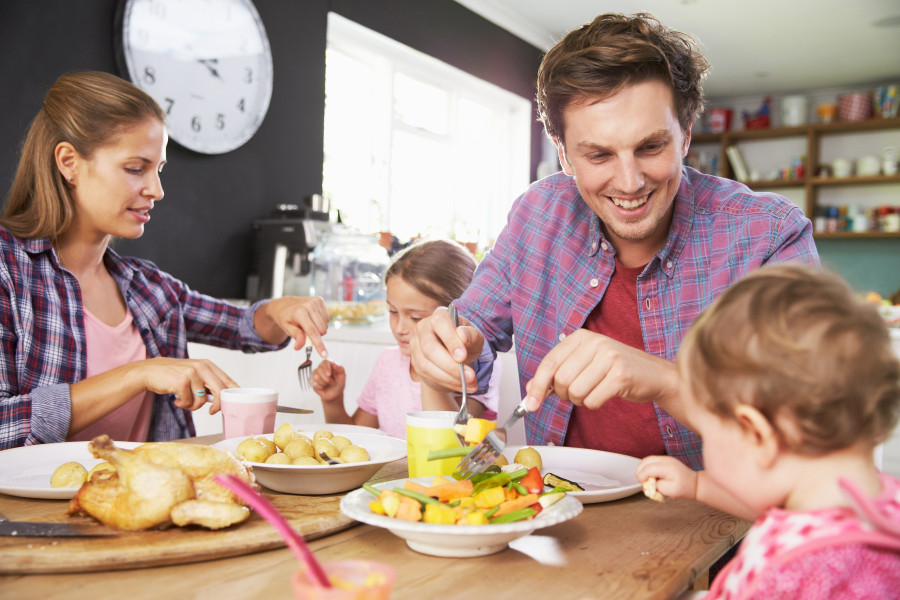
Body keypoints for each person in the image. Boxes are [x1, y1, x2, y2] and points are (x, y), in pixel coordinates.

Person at [409, 12, 819, 468]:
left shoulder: (770, 233)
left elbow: (812, 418)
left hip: (723, 524)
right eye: (599, 154)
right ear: (563, 153)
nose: (629, 182)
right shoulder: (537, 215)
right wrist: (445, 347)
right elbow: (472, 333)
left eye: (650, 147)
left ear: (685, 136)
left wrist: (667, 381)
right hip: (558, 512)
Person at [0, 71, 329, 450]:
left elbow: (241, 326)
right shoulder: (10, 272)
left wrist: (280, 310)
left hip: (151, 504)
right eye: (135, 168)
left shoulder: (147, 287)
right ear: (69, 162)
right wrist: (138, 374)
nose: (156, 190)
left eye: (159, 170)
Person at [636, 264, 900, 598]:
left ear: (757, 435)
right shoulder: (878, 507)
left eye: (707, 431)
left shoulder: (786, 575)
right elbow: (785, 511)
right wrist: (698, 485)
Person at [312, 239, 500, 438]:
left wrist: (427, 370)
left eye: (416, 317)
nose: (400, 328)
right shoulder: (388, 363)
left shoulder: (475, 364)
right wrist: (333, 402)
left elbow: (454, 442)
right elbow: (357, 440)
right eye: (393, 312)